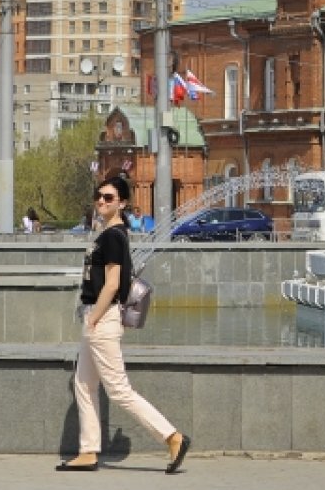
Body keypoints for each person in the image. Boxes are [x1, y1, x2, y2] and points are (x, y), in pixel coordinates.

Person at [57, 176, 190, 473]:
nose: (101, 201)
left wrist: (93, 318)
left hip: (101, 318)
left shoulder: (114, 236)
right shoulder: (107, 233)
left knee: (118, 389)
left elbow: (113, 283)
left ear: (122, 203)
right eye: (99, 196)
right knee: (84, 384)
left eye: (108, 197)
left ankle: (172, 437)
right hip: (98, 316)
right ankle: (89, 450)